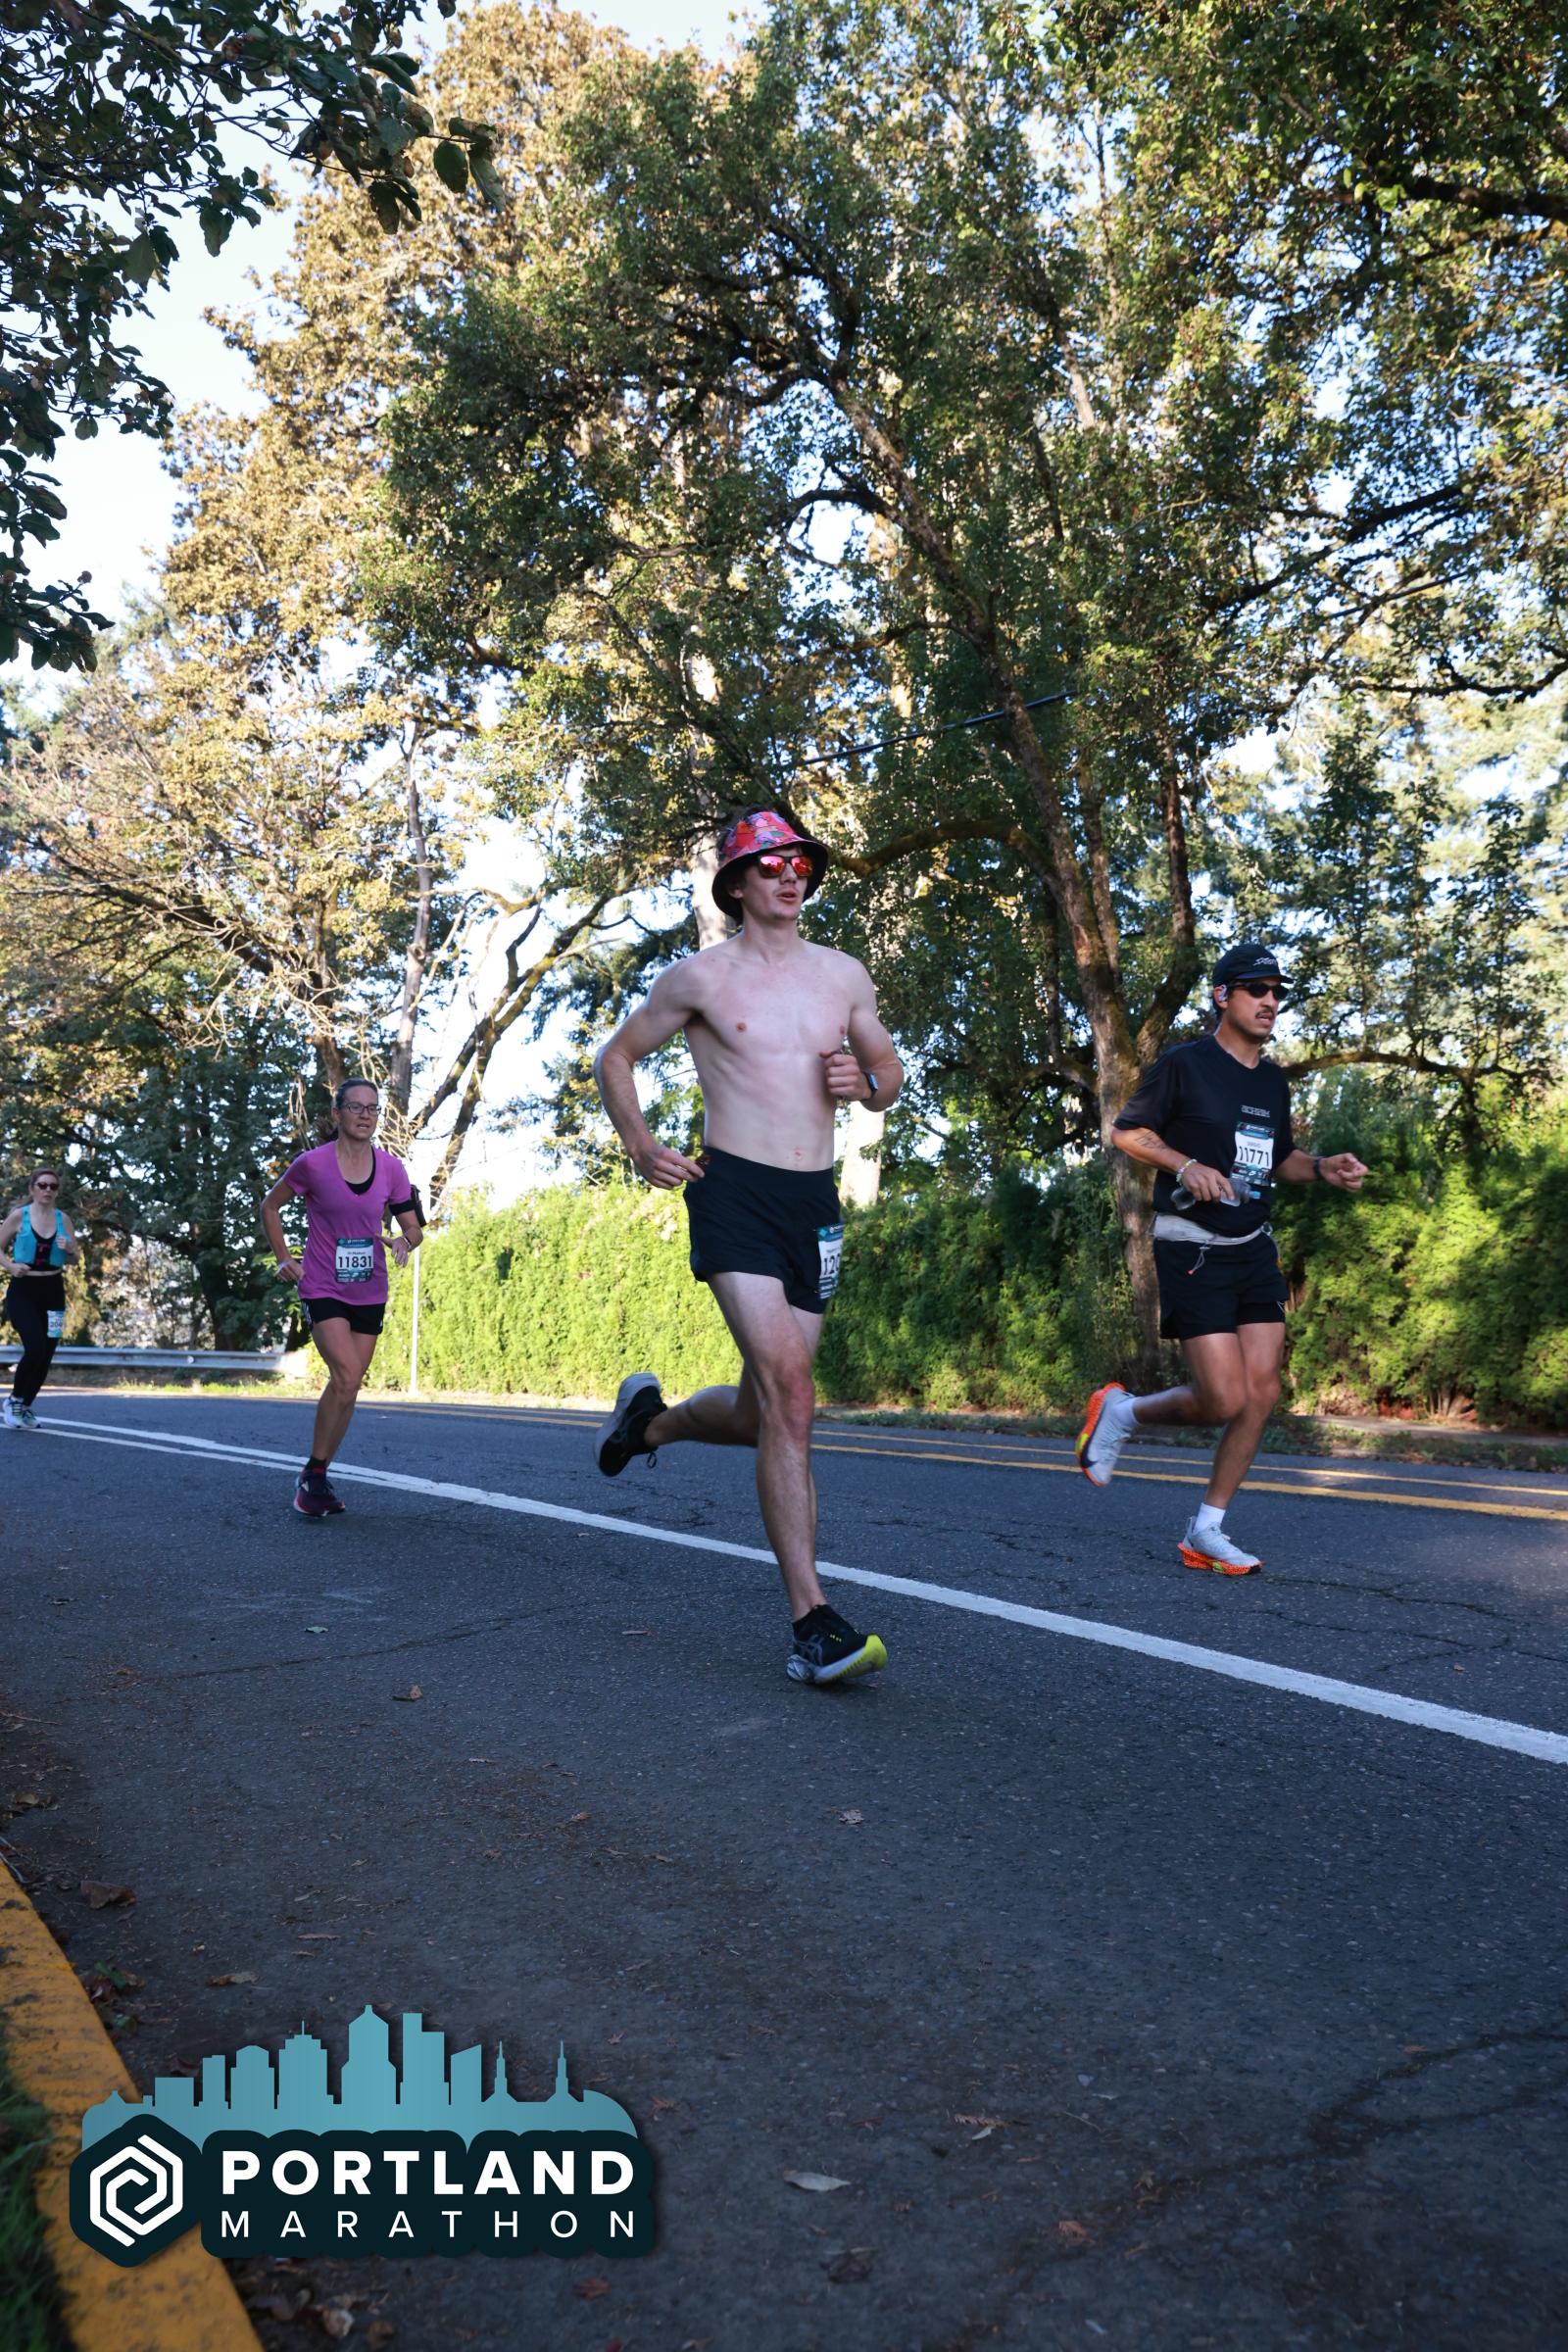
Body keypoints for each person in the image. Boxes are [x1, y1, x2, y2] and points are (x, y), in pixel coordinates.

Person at [592, 807, 905, 1685]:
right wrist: (639, 1144)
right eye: (770, 865)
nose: (790, 875)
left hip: (814, 1202)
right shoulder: (700, 978)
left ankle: (649, 1424)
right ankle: (813, 1623)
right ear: (736, 883)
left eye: (799, 862)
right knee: (793, 1394)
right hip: (732, 1192)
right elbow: (615, 1059)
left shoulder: (843, 974)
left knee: (767, 1412)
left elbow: (888, 1072)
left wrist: (865, 1082)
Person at [1077, 942, 1368, 1574]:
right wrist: (1185, 1164)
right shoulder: (1186, 1065)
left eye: (1277, 992)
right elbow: (1126, 1132)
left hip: (1252, 1245)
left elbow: (1279, 1157)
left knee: (1261, 1392)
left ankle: (1206, 1530)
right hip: (1193, 1245)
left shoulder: (1271, 1080)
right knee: (1222, 1399)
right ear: (1222, 996)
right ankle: (1122, 1412)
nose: (1270, 1001)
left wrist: (1322, 1167)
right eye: (1256, 989)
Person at [260, 1078, 422, 1519]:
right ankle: (315, 1474)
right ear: (337, 1114)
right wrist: (283, 1257)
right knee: (348, 1374)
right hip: (322, 1284)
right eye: (356, 1107)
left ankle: (316, 1473)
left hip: (369, 1288)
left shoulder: (391, 1169)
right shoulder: (312, 1165)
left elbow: (413, 1227)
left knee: (348, 1386)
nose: (366, 1115)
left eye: (373, 1108)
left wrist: (404, 1240)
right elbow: (270, 1206)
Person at [1, 1167, 80, 1429]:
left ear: (57, 1191)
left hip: (54, 1291)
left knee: (47, 1352)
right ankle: (14, 1401)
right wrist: (11, 1266)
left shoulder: (63, 1219)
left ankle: (25, 1405)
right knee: (35, 1347)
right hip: (23, 1290)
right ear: (32, 1189)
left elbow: (75, 1258)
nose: (48, 1190)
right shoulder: (19, 1216)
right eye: (43, 1185)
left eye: (53, 1186)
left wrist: (70, 1249)